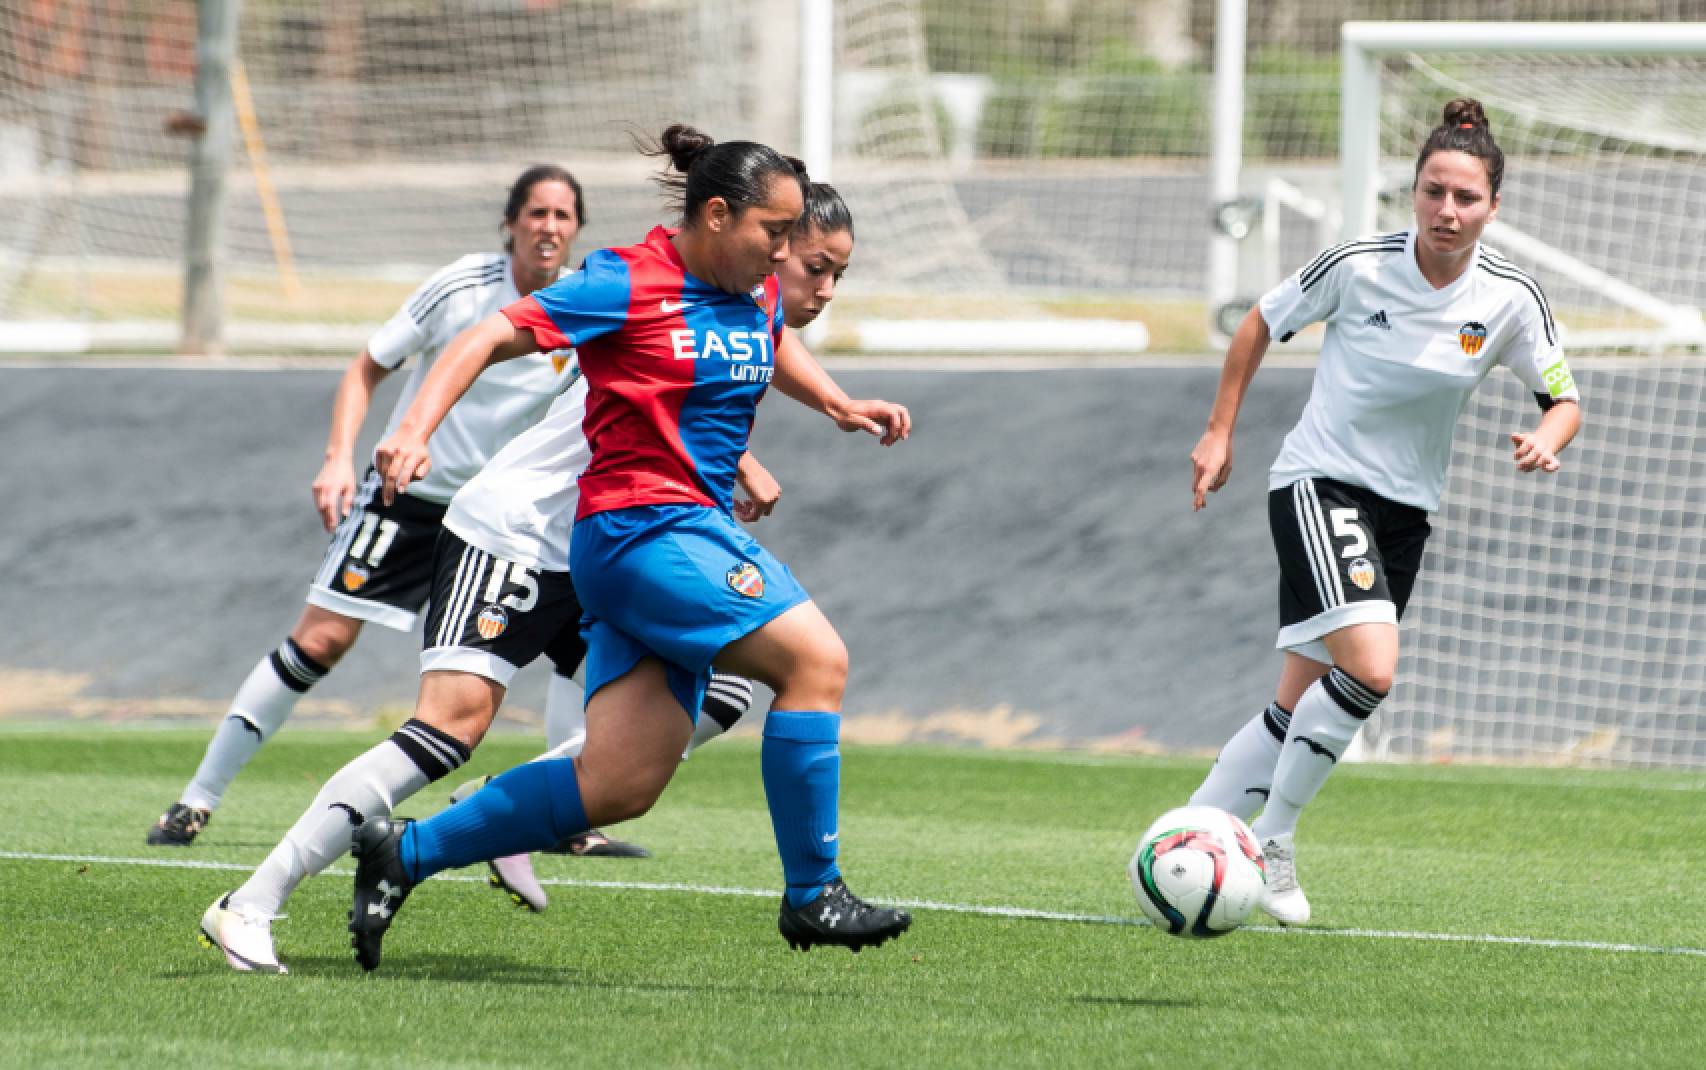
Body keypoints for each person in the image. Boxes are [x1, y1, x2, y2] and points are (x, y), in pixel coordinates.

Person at [193, 180, 849, 975]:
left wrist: (821, 414)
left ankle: (499, 811)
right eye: (807, 258)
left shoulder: (736, 306)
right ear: (736, 228)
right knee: (447, 730)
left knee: (707, 705)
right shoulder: (639, 286)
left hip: (605, 553)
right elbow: (526, 354)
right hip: (519, 534)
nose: (812, 280)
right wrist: (410, 429)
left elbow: (716, 376)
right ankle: (252, 903)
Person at [342, 125, 912, 972]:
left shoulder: (749, 286)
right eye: (778, 236)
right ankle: (812, 895)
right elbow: (488, 335)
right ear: (717, 216)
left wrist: (833, 403)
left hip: (683, 531)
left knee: (619, 786)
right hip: (639, 530)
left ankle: (407, 852)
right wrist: (415, 430)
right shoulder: (627, 281)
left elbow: (771, 335)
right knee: (816, 662)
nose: (790, 256)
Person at [148, 165, 657, 859]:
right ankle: (195, 801)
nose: (550, 227)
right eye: (536, 213)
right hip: (411, 500)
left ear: (577, 229)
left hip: (509, 522)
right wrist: (336, 457)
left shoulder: (590, 303)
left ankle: (567, 822)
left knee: (585, 650)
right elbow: (367, 367)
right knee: (320, 642)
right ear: (510, 223)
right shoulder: (463, 289)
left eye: (564, 216)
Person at [1184, 98, 1582, 925]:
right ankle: (1274, 838)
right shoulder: (1359, 264)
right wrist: (1219, 431)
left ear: (1494, 207)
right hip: (1319, 484)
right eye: (1434, 191)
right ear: (1414, 193)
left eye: (1466, 198)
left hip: (1405, 515)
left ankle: (1185, 841)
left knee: (1298, 700)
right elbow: (1261, 319)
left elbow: (1563, 397)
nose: (1447, 210)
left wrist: (1550, 436)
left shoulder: (1510, 299)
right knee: (1371, 670)